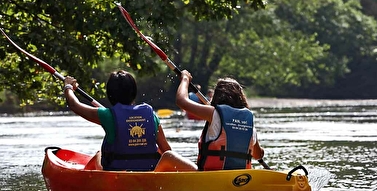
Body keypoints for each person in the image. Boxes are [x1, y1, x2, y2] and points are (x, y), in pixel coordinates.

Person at [63, 70, 196, 171]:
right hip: (149, 171)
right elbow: (166, 149)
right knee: (167, 155)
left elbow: (75, 105)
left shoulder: (107, 115)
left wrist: (68, 87)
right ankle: (197, 173)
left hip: (117, 173)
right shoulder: (151, 115)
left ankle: (84, 177)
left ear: (110, 94)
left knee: (100, 154)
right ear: (134, 92)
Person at [174, 70, 265, 171]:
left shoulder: (213, 113)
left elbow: (181, 101)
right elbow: (258, 155)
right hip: (240, 177)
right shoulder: (249, 121)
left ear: (217, 96)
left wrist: (185, 79)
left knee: (168, 156)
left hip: (211, 177)